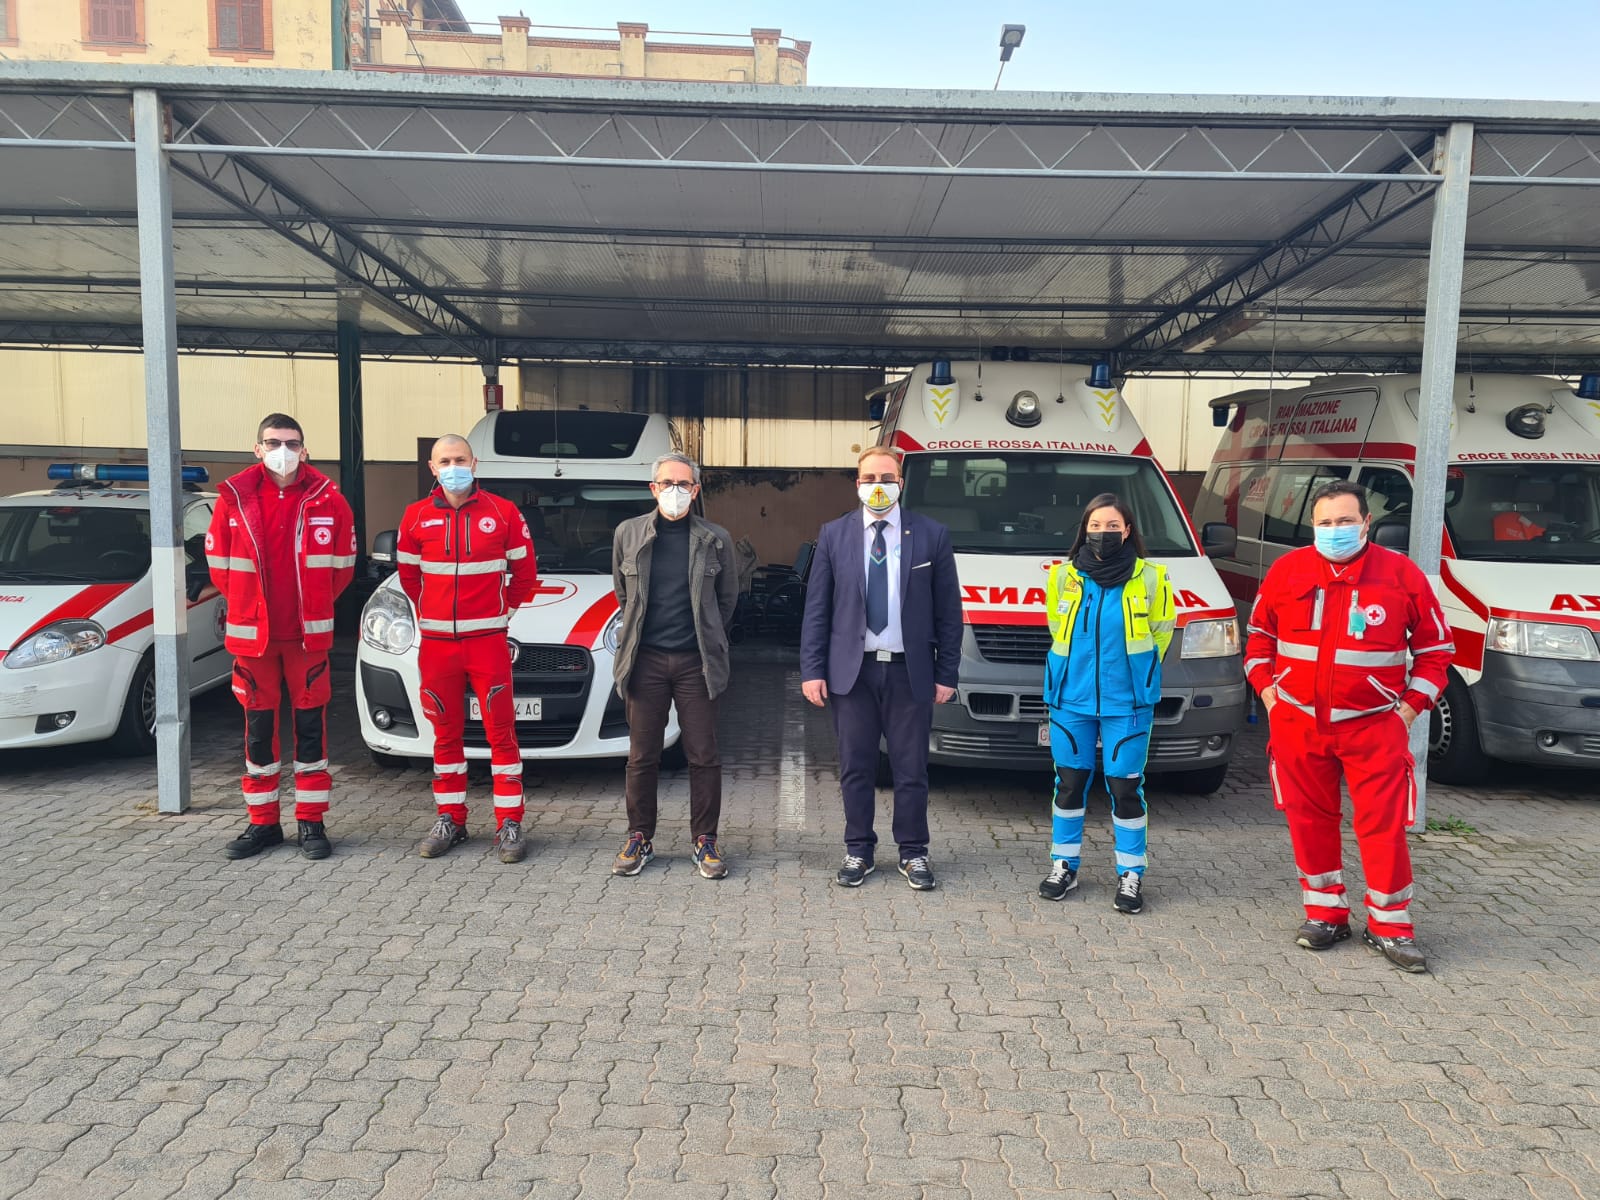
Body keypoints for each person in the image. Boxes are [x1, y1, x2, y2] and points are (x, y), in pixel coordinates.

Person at [1246, 480, 1454, 973]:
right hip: (1298, 724)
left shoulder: (1401, 575)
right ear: (1312, 526)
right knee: (1308, 819)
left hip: (1373, 727)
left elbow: (1436, 653)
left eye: (1344, 521)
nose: (1334, 530)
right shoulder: (1286, 570)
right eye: (1324, 522)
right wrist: (1272, 698)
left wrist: (1406, 712)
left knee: (1382, 826)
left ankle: (1391, 925)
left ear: (1366, 523)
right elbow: (1258, 641)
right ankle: (1325, 915)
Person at [800, 445, 962, 890]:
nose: (878, 486)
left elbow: (949, 611)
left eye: (886, 477)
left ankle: (913, 853)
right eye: (869, 478)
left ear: (900, 483)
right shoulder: (834, 534)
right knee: (856, 766)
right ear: (857, 485)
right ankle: (858, 850)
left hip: (911, 673)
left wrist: (947, 673)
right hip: (853, 673)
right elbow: (818, 609)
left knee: (912, 769)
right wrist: (812, 669)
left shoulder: (931, 535)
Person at [207, 413, 355, 861]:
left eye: (292, 443)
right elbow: (222, 570)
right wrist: (252, 608)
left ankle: (311, 822)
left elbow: (342, 569)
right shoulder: (233, 499)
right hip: (255, 640)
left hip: (306, 638)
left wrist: (310, 608)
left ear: (305, 450)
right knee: (258, 731)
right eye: (273, 442)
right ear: (257, 448)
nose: (283, 451)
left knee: (311, 732)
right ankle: (263, 824)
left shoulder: (329, 499)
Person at [396, 435, 538, 863]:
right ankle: (450, 819)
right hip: (437, 647)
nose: (453, 465)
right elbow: (409, 579)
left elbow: (525, 575)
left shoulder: (503, 512)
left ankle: (509, 823)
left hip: (488, 644)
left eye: (460, 459)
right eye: (445, 460)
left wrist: (499, 613)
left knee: (501, 735)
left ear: (474, 463)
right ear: (432, 467)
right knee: (445, 735)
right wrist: (433, 616)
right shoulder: (415, 516)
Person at [1038, 493, 1175, 914]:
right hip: (1071, 699)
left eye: (1112, 526)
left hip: (1128, 702)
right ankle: (1064, 865)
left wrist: (1141, 677)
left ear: (1128, 530)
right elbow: (1057, 627)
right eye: (1095, 526)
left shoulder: (1152, 576)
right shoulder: (1063, 576)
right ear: (1085, 529)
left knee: (1125, 788)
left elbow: (1162, 631)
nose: (1103, 533)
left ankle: (1131, 873)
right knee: (1070, 784)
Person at [609, 452, 739, 880]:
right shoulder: (628, 534)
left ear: (696, 490)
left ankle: (705, 840)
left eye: (684, 485)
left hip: (695, 664)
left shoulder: (715, 538)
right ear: (653, 488)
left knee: (703, 755)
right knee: (642, 756)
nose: (675, 492)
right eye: (667, 484)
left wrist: (707, 638)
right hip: (644, 661)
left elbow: (726, 601)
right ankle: (639, 836)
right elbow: (624, 597)